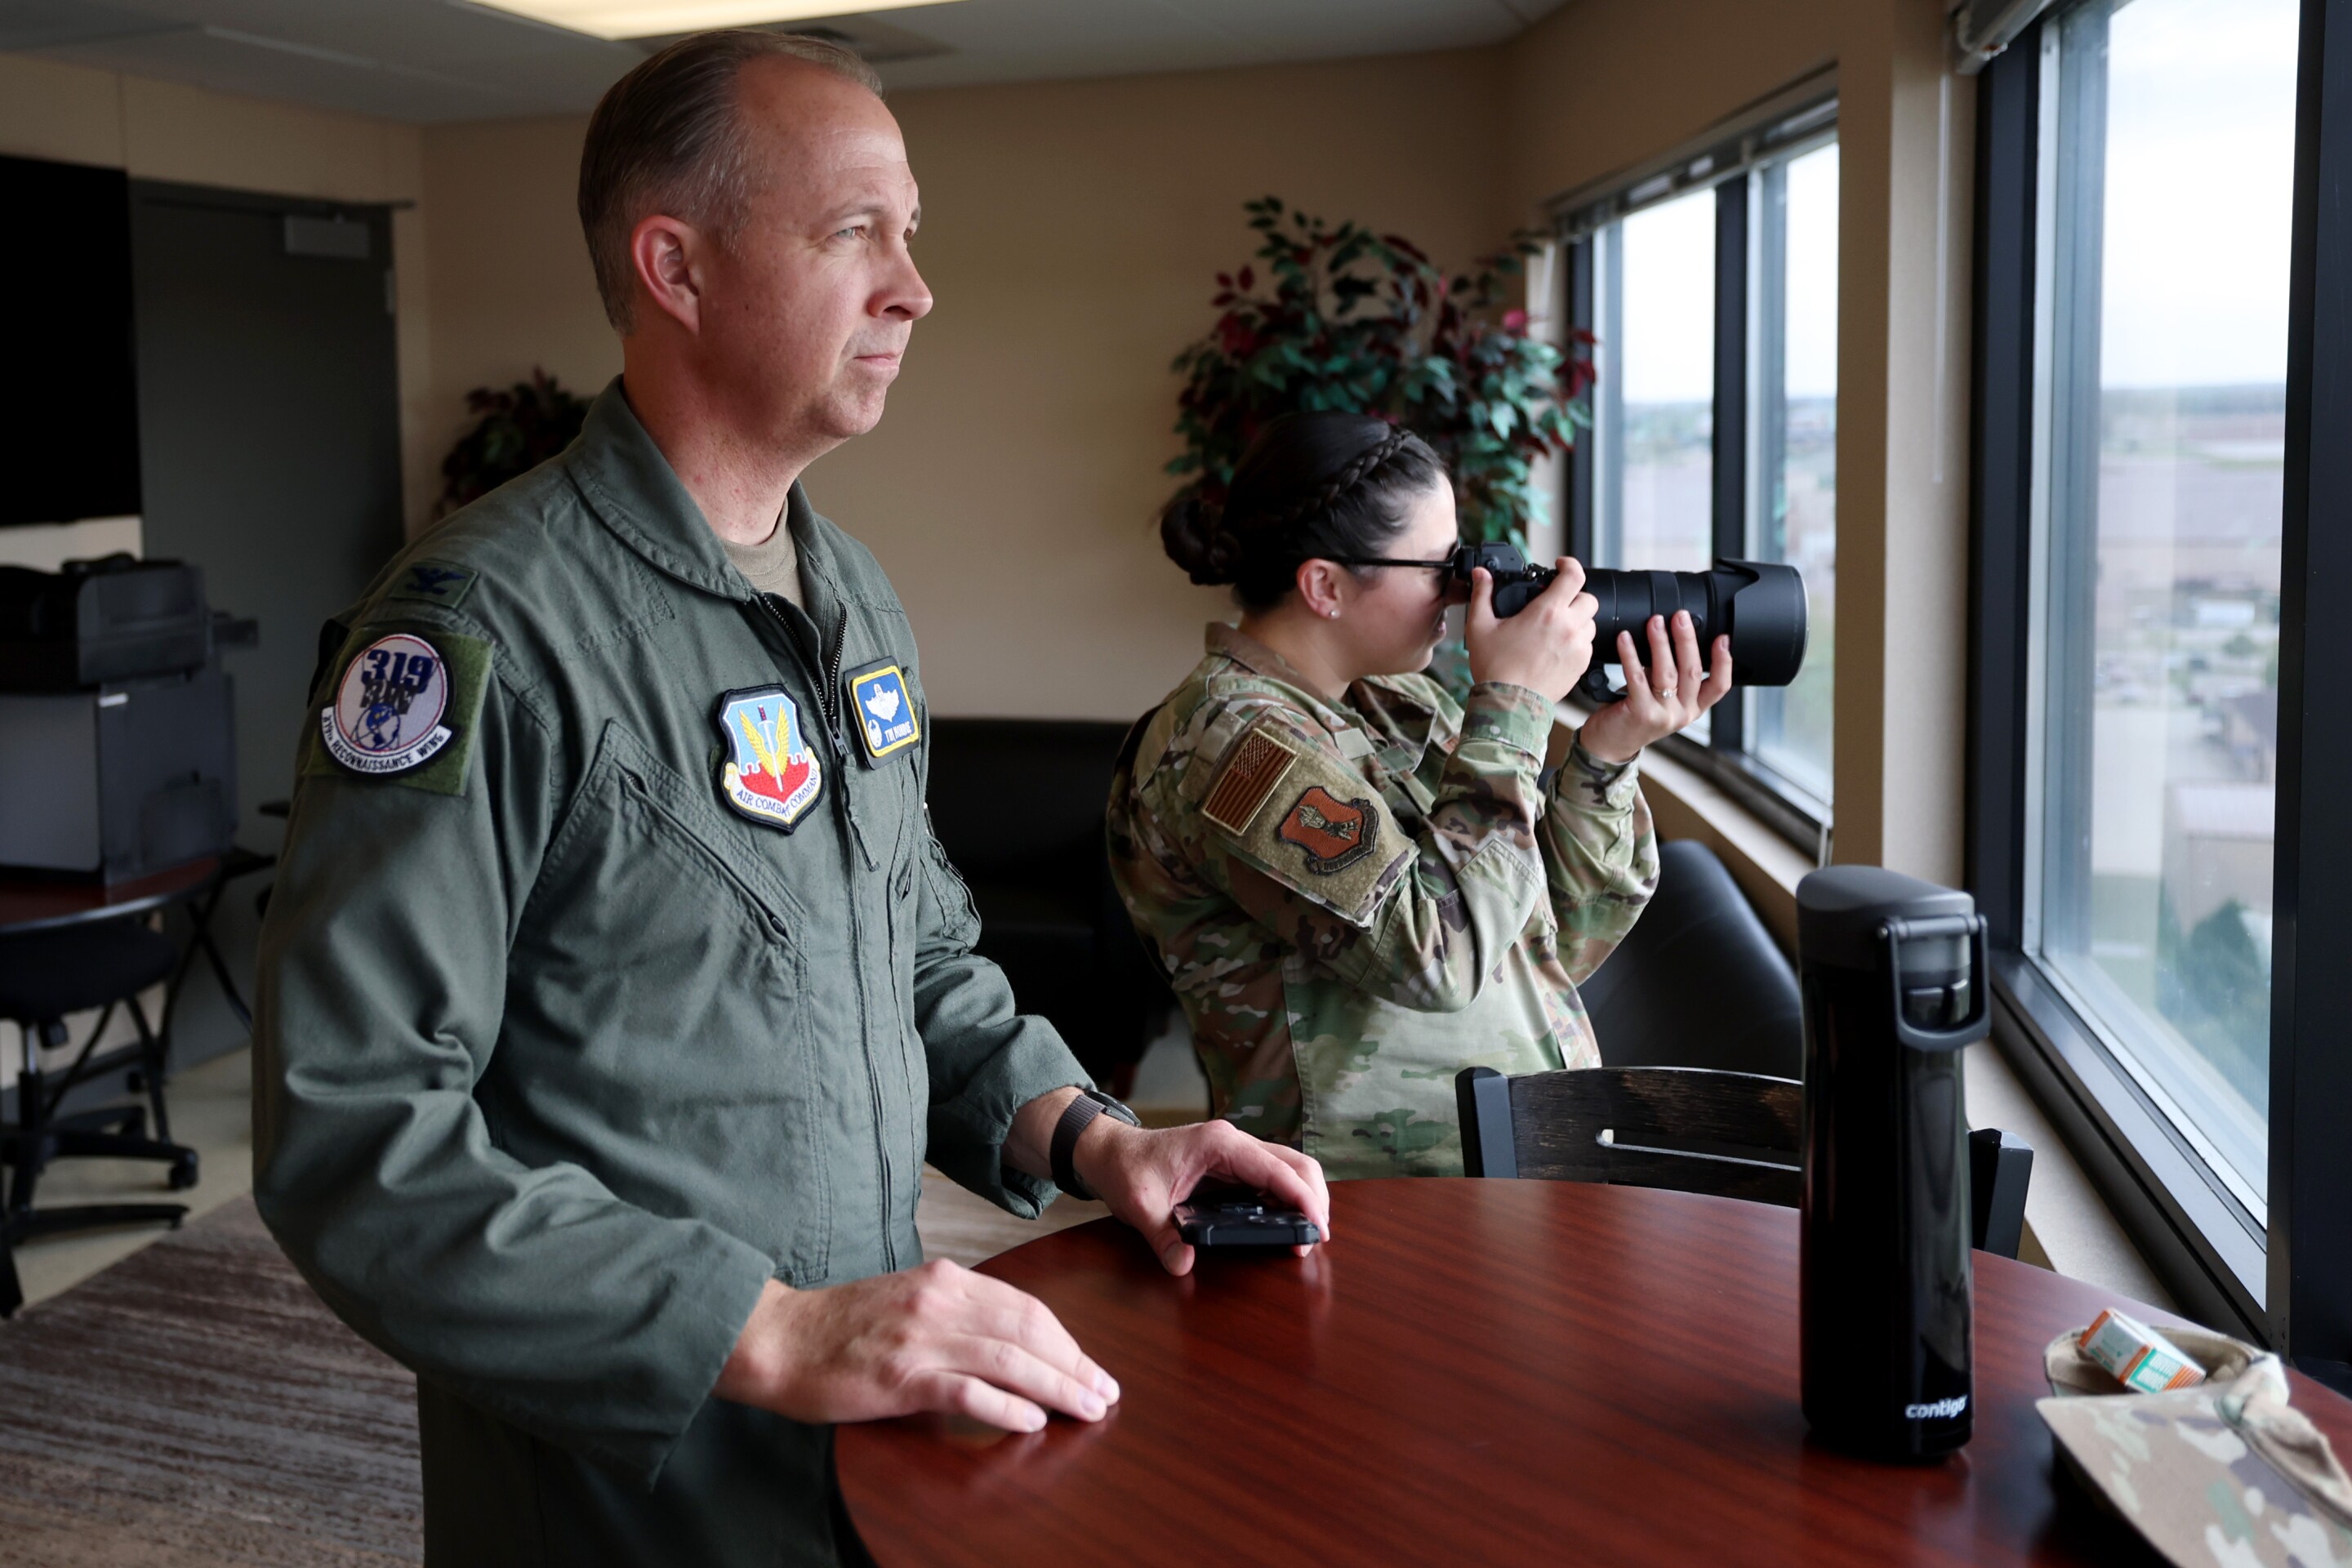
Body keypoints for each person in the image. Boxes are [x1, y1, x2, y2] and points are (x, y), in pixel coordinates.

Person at [252, 31, 1328, 1568]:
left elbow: (921, 956)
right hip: (630, 1487)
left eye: (912, 234)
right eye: (854, 233)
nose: (914, 286)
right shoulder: (479, 629)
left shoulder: (852, 595)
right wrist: (766, 1333)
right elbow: (349, 1133)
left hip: (865, 1447)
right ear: (676, 269)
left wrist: (1099, 1139)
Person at [1106, 412, 1732, 1180]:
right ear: (1325, 585)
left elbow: (1548, 934)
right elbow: (1438, 957)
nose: (1464, 589)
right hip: (1368, 1214)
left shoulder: (1400, 704)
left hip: (1509, 1189)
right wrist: (1512, 705)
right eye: (1439, 566)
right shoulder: (1231, 746)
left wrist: (1607, 752)